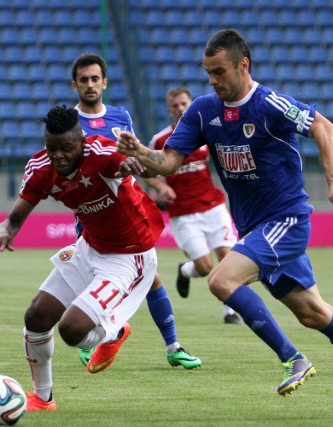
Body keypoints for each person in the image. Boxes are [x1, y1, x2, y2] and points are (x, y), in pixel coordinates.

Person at [116, 29, 333, 415]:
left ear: (243, 65)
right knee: (313, 313)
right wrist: (140, 151)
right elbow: (169, 162)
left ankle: (293, 359)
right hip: (255, 229)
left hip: (287, 219)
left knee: (221, 280)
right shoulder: (204, 110)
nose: (212, 80)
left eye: (219, 72)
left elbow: (325, 128)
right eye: (208, 73)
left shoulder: (271, 103)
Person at [0, 105, 164, 411]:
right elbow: (17, 214)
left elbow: (131, 165)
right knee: (36, 317)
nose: (57, 155)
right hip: (89, 248)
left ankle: (113, 331)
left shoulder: (102, 153)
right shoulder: (40, 167)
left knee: (71, 330)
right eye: (51, 147)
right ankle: (42, 400)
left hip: (130, 256)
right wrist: (6, 229)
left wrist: (132, 166)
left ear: (81, 141)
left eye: (66, 148)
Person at [69, 53, 201, 369]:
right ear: (75, 86)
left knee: (151, 278)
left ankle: (172, 346)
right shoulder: (69, 124)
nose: (90, 85)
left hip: (128, 213)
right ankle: (101, 337)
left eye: (95, 79)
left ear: (104, 82)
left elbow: (135, 160)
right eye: (84, 80)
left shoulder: (120, 117)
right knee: (93, 281)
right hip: (92, 215)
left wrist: (157, 186)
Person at [145, 87, 241, 324]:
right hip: (183, 213)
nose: (180, 108)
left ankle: (230, 311)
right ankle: (186, 270)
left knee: (226, 257)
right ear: (169, 110)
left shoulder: (205, 132)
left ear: (190, 106)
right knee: (205, 266)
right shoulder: (159, 140)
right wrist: (160, 186)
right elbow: (146, 169)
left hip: (213, 205)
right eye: (175, 105)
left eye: (184, 104)